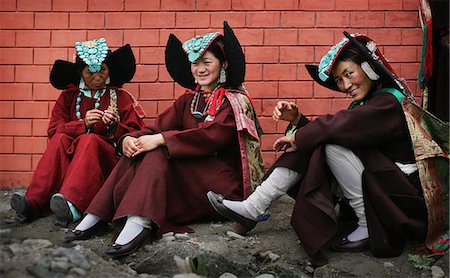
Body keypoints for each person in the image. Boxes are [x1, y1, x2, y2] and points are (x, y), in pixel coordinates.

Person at [208, 33, 448, 265]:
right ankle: (253, 206)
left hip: (401, 200)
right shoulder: (366, 105)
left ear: (369, 68)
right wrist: (299, 122)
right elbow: (336, 129)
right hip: (382, 187)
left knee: (326, 139)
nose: (345, 85)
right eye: (339, 81)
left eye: (348, 74)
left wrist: (302, 135)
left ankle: (366, 224)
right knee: (319, 139)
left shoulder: (388, 102)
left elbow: (339, 127)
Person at [64, 21, 265, 259]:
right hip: (191, 175)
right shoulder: (189, 100)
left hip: (221, 183)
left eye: (207, 62)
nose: (200, 69)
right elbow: (157, 127)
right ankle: (98, 214)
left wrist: (161, 140)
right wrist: (130, 139)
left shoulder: (235, 100)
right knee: (141, 149)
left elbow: (211, 136)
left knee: (158, 150)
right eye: (195, 63)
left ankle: (140, 221)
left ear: (223, 64)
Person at [10, 38, 145, 227]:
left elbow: (137, 133)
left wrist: (115, 127)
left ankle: (71, 205)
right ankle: (33, 202)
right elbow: (53, 129)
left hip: (107, 162)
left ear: (109, 70)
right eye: (90, 72)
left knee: (89, 140)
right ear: (80, 73)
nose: (97, 76)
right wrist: (82, 124)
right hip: (74, 158)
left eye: (102, 70)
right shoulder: (68, 97)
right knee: (59, 139)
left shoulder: (121, 97)